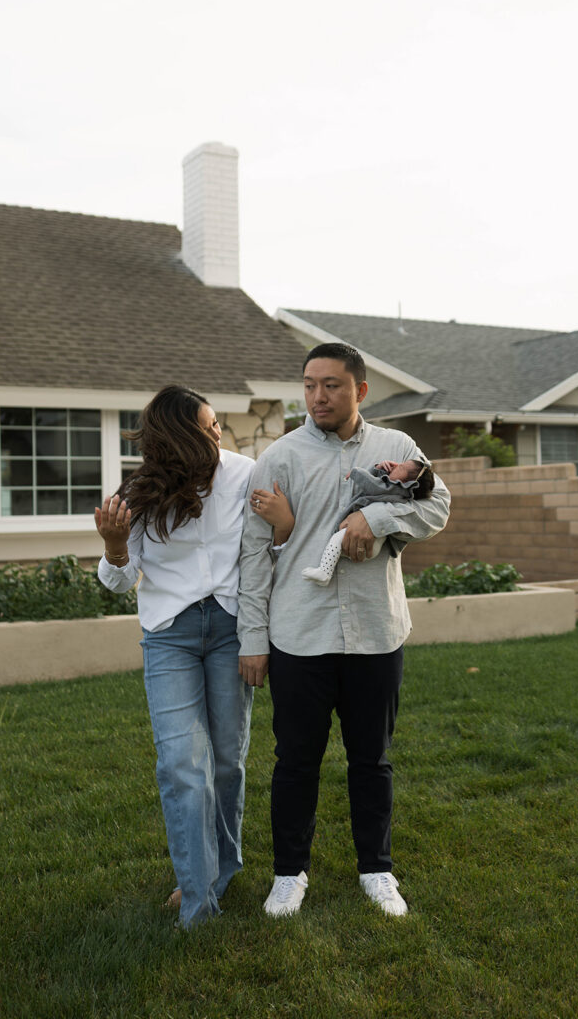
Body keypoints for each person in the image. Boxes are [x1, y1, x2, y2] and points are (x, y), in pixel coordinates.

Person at [237, 344, 450, 918]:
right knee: (295, 762)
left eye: (331, 385)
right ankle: (288, 874)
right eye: (309, 385)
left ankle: (376, 871)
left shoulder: (398, 448)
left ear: (359, 390)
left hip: (377, 633)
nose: (318, 396)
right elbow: (255, 557)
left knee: (372, 761)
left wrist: (373, 518)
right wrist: (253, 640)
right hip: (299, 636)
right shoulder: (278, 458)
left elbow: (438, 506)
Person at [95, 385, 288, 930]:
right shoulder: (137, 492)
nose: (216, 434)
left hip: (230, 630)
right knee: (183, 766)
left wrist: (256, 635)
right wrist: (113, 548)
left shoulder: (245, 473)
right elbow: (116, 581)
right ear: (175, 438)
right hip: (170, 635)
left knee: (226, 762)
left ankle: (222, 870)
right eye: (205, 428)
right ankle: (198, 901)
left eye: (216, 424)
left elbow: (264, 555)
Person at [300, 458, 435, 585]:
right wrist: (379, 469)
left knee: (336, 539)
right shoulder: (398, 491)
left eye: (402, 467)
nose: (397, 465)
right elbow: (382, 482)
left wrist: (355, 472)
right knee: (338, 542)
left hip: (370, 542)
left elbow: (373, 485)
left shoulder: (395, 490)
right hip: (374, 543)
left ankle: (324, 572)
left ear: (407, 483)